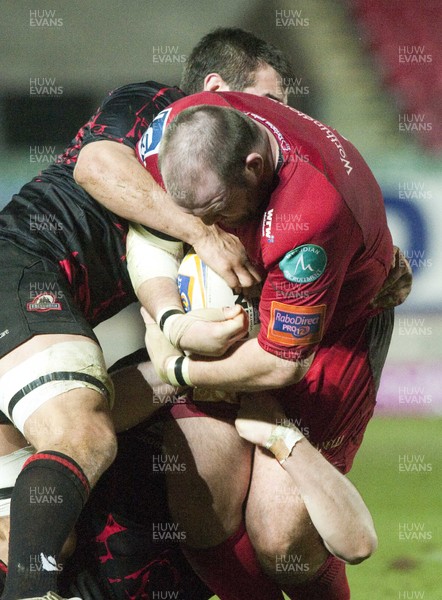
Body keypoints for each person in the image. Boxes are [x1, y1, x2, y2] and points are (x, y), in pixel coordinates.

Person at [0, 27, 298, 600]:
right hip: (19, 267)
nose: (283, 123)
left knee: (38, 534)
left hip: (39, 303)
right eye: (273, 103)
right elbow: (96, 165)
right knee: (82, 433)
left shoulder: (224, 192)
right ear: (216, 88)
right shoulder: (162, 106)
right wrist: (199, 234)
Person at [134, 91, 402, 600]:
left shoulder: (312, 212)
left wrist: (178, 371)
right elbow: (110, 182)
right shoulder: (182, 126)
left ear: (255, 168)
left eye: (216, 211)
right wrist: (170, 316)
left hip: (328, 339)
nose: (209, 229)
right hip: (234, 325)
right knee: (202, 500)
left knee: (282, 541)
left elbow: (283, 363)